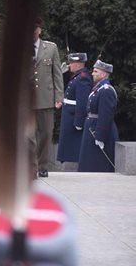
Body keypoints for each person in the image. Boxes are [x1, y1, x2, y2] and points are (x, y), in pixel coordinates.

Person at [30, 18, 63, 178]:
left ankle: (42, 165)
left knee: (46, 133)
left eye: (35, 28)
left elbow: (57, 73)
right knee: (28, 135)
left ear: (39, 30)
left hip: (46, 98)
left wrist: (59, 96)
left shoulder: (50, 48)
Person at [78, 60, 118, 173]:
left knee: (98, 164)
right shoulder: (98, 89)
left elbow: (106, 116)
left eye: (96, 71)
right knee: (89, 162)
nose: (92, 73)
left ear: (104, 74)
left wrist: (100, 136)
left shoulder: (106, 91)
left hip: (98, 130)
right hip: (92, 128)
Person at [57, 53, 92, 164]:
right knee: (67, 141)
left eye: (71, 63)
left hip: (73, 115)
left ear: (77, 64)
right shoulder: (77, 76)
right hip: (69, 113)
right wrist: (63, 73)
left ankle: (75, 161)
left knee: (74, 143)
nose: (69, 65)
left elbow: (82, 102)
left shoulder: (83, 78)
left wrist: (79, 121)